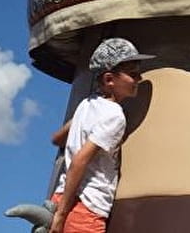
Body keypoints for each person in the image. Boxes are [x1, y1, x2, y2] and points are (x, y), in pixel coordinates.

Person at [48, 37, 154, 233]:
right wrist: (61, 216)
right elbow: (80, 160)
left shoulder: (86, 104)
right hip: (86, 206)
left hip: (61, 197)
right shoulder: (114, 116)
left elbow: (57, 139)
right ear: (109, 79)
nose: (138, 78)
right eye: (132, 74)